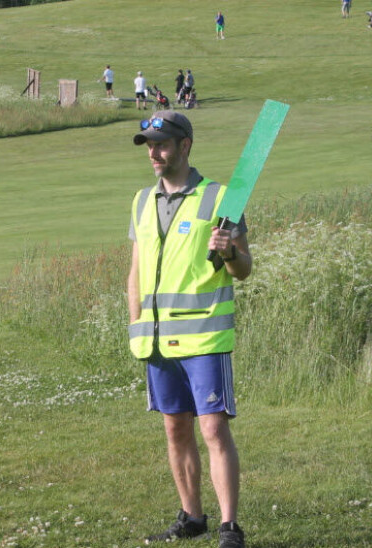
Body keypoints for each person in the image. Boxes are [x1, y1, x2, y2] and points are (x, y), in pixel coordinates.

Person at [128, 111, 252, 548]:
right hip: (157, 339)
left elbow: (243, 270)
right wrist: (135, 323)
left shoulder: (221, 197)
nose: (154, 153)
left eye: (161, 144)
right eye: (148, 145)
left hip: (204, 339)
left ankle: (229, 527)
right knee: (174, 429)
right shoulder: (142, 201)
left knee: (213, 430)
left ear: (185, 145)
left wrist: (230, 250)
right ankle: (192, 517)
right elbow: (136, 270)